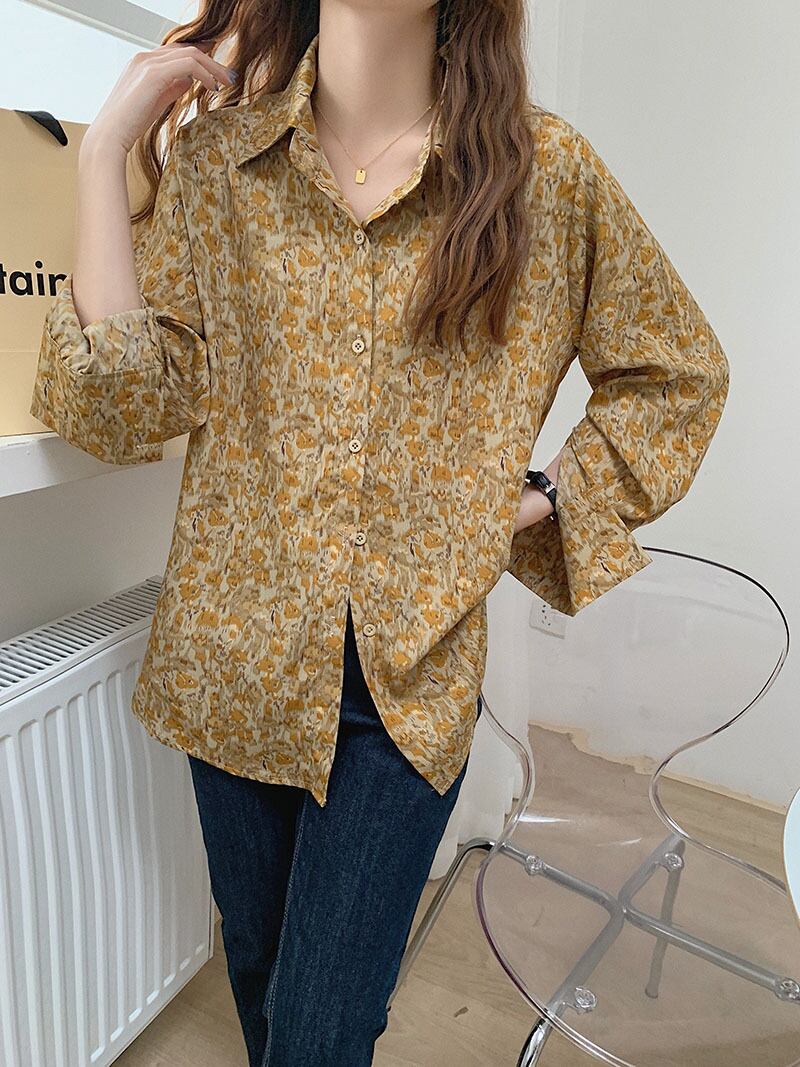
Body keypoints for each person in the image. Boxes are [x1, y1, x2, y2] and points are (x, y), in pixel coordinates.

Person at [29, 1, 730, 1064]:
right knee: (261, 979)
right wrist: (102, 155)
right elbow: (125, 407)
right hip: (232, 659)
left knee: (323, 1028)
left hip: (409, 683)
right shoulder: (223, 164)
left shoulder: (545, 175)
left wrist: (541, 493)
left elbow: (676, 374)